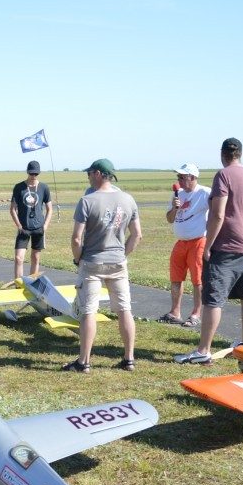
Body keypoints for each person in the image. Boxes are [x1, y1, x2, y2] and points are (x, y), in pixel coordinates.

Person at [176, 138, 243, 365]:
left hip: (225, 247)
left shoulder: (223, 175)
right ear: (240, 153)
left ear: (222, 154)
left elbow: (218, 214)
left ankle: (203, 350)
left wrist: (209, 245)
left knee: (213, 299)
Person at [66, 158, 141, 372]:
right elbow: (137, 234)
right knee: (124, 309)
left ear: (98, 174)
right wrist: (123, 254)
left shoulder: (87, 200)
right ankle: (129, 359)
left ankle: (84, 361)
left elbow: (76, 239)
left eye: (89, 173)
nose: (88, 177)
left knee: (88, 312)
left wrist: (78, 259)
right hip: (118, 262)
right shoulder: (128, 199)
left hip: (92, 263)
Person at [159, 163, 210, 326]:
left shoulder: (205, 193)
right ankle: (175, 312)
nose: (179, 180)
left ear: (192, 177)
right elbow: (169, 219)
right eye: (178, 177)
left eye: (182, 177)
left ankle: (196, 314)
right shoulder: (178, 194)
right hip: (181, 242)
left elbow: (219, 212)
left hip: (198, 241)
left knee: (197, 280)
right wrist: (175, 208)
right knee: (175, 278)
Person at [10, 160, 53, 279]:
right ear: (27, 172)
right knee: (19, 258)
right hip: (23, 228)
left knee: (35, 257)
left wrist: (45, 226)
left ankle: (32, 282)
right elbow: (12, 209)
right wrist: (19, 225)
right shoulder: (19, 187)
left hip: (38, 227)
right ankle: (19, 284)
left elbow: (50, 209)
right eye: (31, 173)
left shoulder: (44, 187)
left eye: (36, 174)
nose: (33, 176)